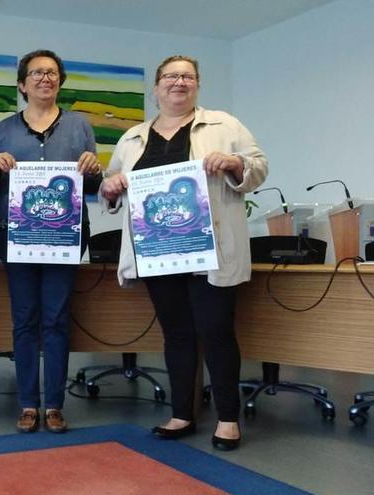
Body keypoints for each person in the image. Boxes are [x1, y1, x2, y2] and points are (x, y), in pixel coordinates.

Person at [100, 55, 268, 451]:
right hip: (158, 251)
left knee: (216, 331)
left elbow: (259, 166)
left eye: (188, 76)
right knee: (176, 333)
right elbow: (111, 185)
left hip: (209, 251)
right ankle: (182, 413)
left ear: (197, 85)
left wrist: (234, 162)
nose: (179, 82)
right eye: (171, 76)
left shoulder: (224, 124)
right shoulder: (132, 138)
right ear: (156, 87)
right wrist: (109, 187)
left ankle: (227, 419)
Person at [0, 50, 102, 434]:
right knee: (25, 319)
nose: (44, 78)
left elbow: (93, 187)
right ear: (22, 84)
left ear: (59, 81)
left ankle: (55, 405)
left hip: (64, 236)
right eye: (36, 73)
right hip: (15, 236)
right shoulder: (3, 130)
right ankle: (28, 403)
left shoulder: (80, 127)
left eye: (51, 72)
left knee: (57, 318)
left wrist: (94, 170)